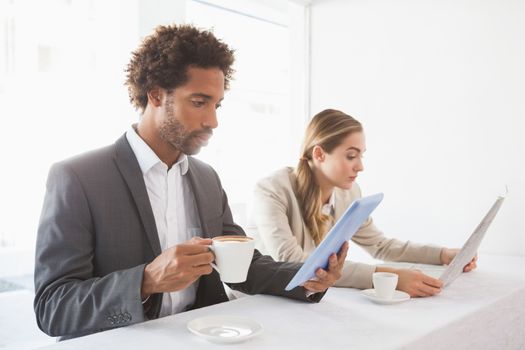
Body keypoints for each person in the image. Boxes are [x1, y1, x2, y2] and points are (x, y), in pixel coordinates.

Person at [33, 25, 348, 340]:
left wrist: (307, 277)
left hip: (204, 336)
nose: (213, 121)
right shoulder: (78, 178)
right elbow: (53, 307)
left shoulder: (206, 178)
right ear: (156, 94)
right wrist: (145, 280)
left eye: (217, 104)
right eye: (199, 102)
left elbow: (242, 265)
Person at [253, 109, 476, 297]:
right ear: (319, 154)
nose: (360, 166)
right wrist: (387, 277)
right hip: (265, 300)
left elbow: (381, 246)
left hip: (310, 299)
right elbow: (292, 262)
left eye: (361, 156)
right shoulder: (272, 190)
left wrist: (443, 254)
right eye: (351, 156)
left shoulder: (348, 193)